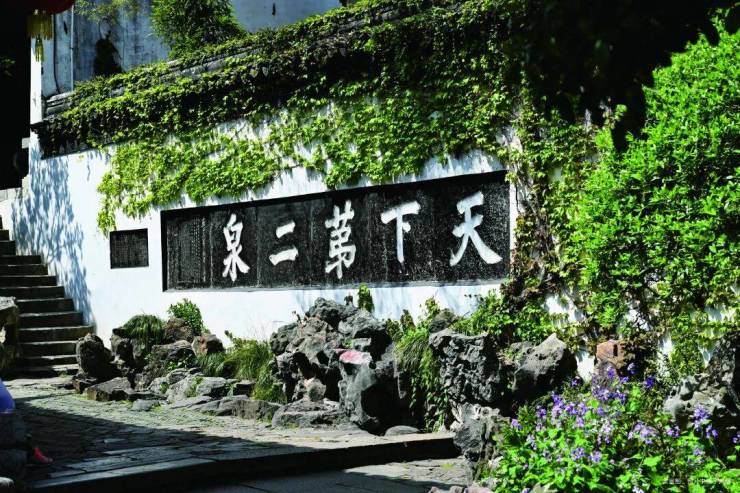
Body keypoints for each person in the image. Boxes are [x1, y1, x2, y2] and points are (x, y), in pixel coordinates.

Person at [0, 378, 52, 465]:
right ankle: (36, 454)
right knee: (20, 433)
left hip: (6, 412)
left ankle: (34, 454)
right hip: (10, 412)